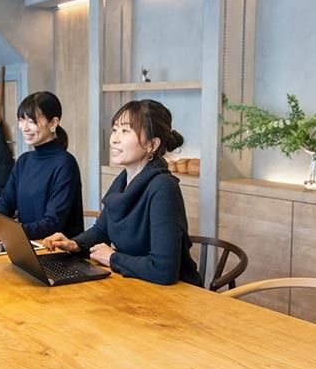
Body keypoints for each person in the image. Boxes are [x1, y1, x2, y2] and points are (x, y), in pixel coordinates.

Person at [43, 99, 201, 286]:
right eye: (115, 129)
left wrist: (112, 258)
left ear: (152, 144)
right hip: (136, 286)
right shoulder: (123, 180)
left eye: (125, 131)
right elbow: (102, 230)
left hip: (176, 296)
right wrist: (75, 244)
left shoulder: (163, 188)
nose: (114, 138)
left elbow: (163, 270)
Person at [0, 91, 84, 244]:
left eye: (32, 121)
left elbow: (52, 224)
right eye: (22, 120)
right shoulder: (24, 161)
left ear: (53, 123)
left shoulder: (65, 164)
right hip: (26, 244)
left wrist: (5, 233)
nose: (24, 128)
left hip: (56, 251)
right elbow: (7, 204)